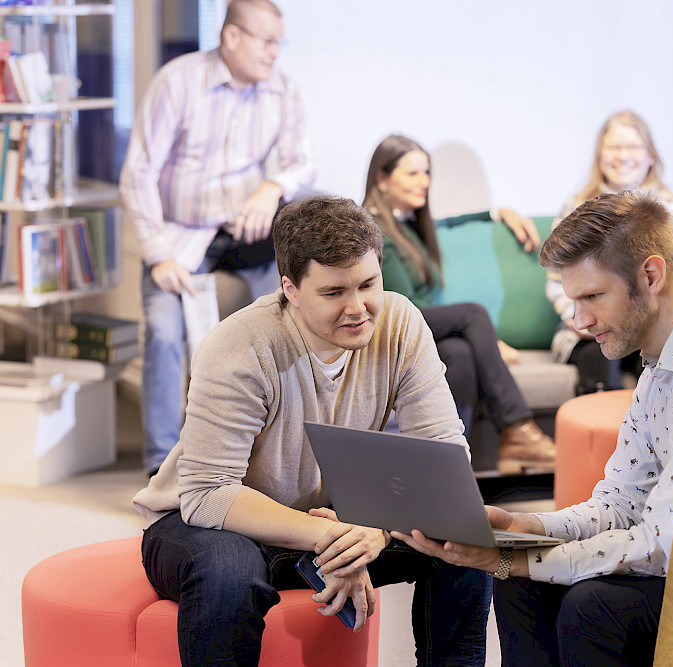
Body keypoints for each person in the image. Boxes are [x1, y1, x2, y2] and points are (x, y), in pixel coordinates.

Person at [393, 190, 673, 666]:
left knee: (594, 606)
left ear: (650, 275)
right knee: (524, 585)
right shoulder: (660, 366)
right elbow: (619, 506)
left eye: (592, 297)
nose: (580, 320)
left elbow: (664, 546)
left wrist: (515, 557)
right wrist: (525, 528)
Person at [131, 195, 491, 666]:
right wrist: (330, 540)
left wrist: (374, 531)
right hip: (210, 522)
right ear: (290, 289)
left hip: (337, 517)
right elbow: (209, 494)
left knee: (465, 534)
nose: (358, 307)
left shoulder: (401, 323)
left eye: (368, 284)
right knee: (227, 575)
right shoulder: (238, 346)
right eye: (333, 292)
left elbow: (445, 460)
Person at [119, 0, 316, 475]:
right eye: (267, 41)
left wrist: (271, 188)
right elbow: (138, 173)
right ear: (232, 37)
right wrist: (158, 255)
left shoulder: (283, 89)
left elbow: (303, 162)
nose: (275, 52)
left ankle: (281, 453)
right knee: (165, 333)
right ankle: (161, 465)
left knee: (301, 318)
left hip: (245, 233)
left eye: (278, 42)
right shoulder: (179, 81)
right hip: (182, 238)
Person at [362, 134, 555, 475]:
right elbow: (402, 310)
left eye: (427, 173)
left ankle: (453, 466)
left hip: (425, 330)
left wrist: (497, 213)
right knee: (471, 314)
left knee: (459, 355)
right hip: (396, 329)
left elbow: (449, 223)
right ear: (381, 178)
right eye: (413, 174)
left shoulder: (406, 224)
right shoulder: (375, 231)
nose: (424, 182)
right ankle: (517, 426)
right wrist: (491, 342)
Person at [546, 110, 673, 394]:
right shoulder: (575, 207)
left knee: (665, 360)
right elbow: (557, 282)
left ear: (650, 156)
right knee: (597, 358)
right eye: (613, 147)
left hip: (650, 325)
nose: (622, 156)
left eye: (632, 147)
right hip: (586, 333)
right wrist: (575, 316)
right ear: (599, 155)